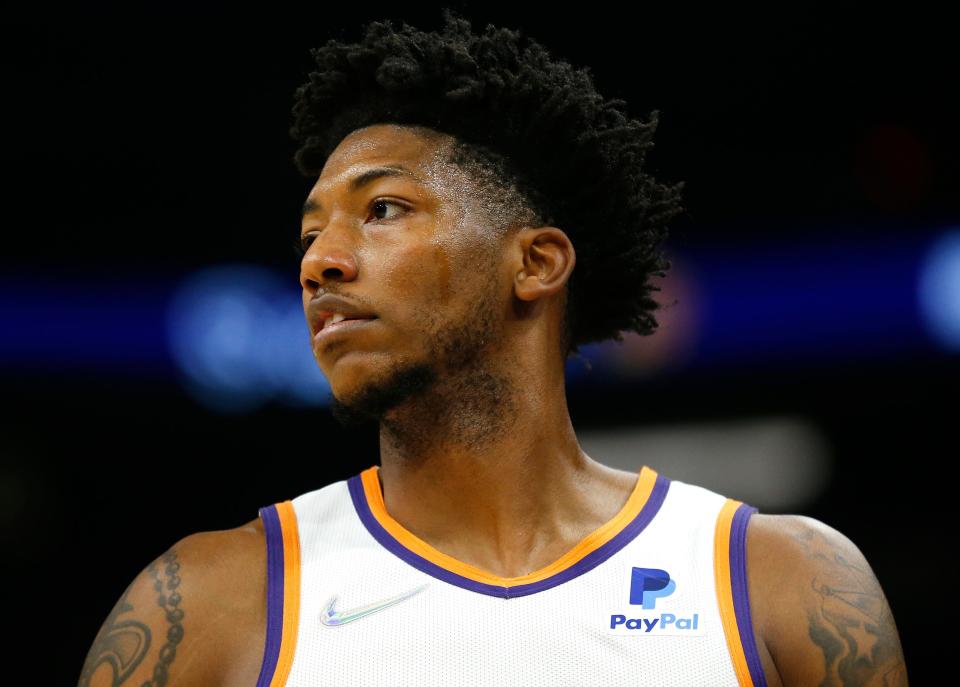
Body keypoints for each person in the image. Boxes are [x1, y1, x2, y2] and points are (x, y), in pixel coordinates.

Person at [77, 9, 908, 686]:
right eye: (307, 235)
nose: (318, 262)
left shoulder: (780, 580)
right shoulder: (209, 602)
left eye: (383, 210)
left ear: (535, 262)